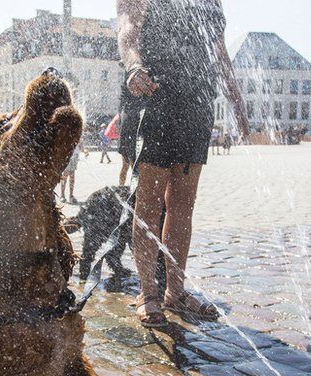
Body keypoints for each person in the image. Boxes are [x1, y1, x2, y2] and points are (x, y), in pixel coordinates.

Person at [118, 0, 248, 327]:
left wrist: (237, 99)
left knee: (182, 204)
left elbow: (219, 53)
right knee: (148, 201)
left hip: (197, 102)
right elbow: (128, 32)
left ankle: (175, 292)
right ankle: (148, 293)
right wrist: (133, 67)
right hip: (155, 94)